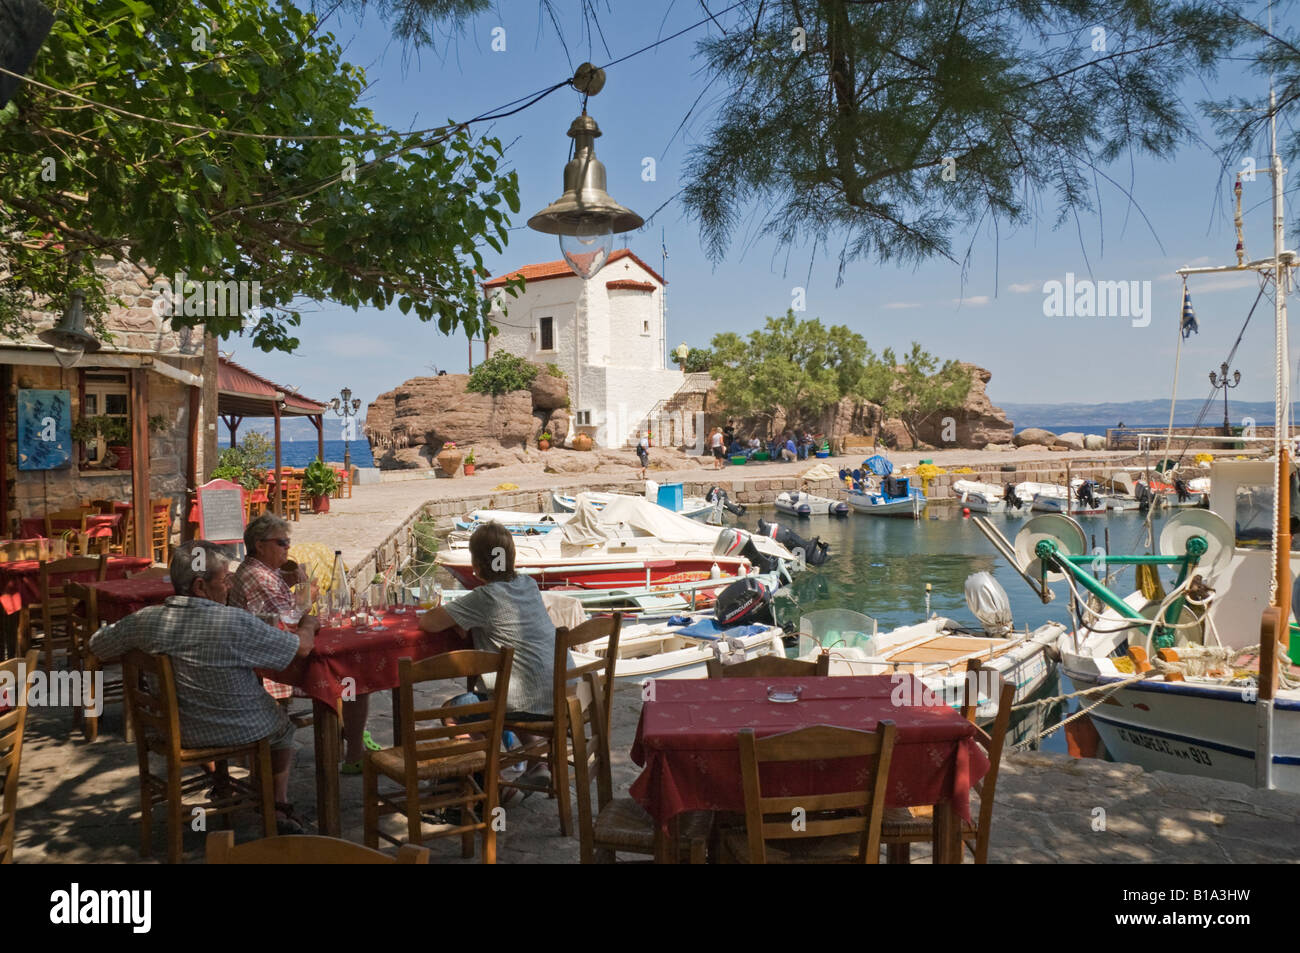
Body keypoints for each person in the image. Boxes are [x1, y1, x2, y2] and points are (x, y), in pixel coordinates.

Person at [89, 540, 314, 834]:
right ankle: (276, 805)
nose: (230, 587)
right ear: (200, 586)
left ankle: (222, 785)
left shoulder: (145, 620)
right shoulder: (234, 622)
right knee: (283, 726)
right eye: (225, 580)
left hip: (172, 729)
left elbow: (97, 645)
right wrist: (309, 622)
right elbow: (301, 649)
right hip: (237, 729)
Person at [230, 513, 377, 775]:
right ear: (260, 545)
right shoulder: (258, 576)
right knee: (352, 675)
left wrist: (293, 591)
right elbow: (287, 624)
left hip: (272, 652)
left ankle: (348, 734)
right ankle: (352, 749)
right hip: (273, 664)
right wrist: (305, 599)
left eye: (287, 542)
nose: (288, 547)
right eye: (282, 543)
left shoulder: (265, 571)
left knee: (348, 670)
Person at [419, 522, 560, 788]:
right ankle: (536, 762)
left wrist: (458, 617)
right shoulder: (528, 584)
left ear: (477, 563)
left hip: (524, 701)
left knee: (454, 711)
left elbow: (428, 623)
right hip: (556, 693)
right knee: (510, 690)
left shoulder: (486, 596)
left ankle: (491, 783)